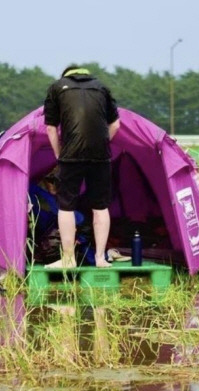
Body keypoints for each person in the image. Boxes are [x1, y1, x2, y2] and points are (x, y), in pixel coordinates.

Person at [43, 65, 120, 269]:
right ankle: (101, 258)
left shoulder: (57, 88)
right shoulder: (102, 88)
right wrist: (104, 144)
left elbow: (51, 128)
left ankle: (68, 259)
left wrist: (60, 154)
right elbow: (116, 125)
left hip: (72, 155)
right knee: (101, 207)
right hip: (100, 156)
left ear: (65, 76)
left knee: (66, 206)